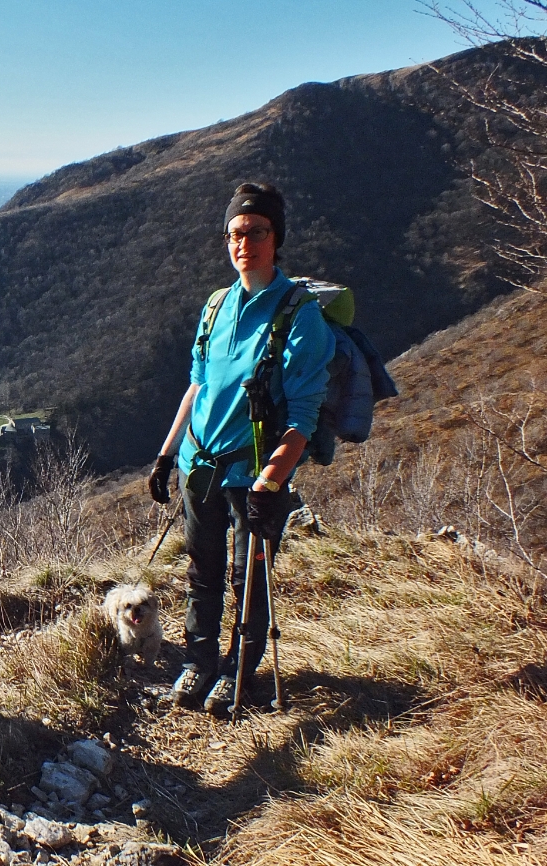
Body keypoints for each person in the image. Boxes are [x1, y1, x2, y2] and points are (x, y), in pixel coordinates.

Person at [148, 183, 334, 717]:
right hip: (198, 464)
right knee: (202, 573)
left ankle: (238, 673)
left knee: (246, 579)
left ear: (276, 238)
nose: (243, 242)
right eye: (234, 233)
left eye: (255, 231)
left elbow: (303, 416)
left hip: (252, 474)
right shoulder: (215, 306)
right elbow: (197, 385)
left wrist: (271, 481)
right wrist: (167, 455)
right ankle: (199, 662)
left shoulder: (300, 315)